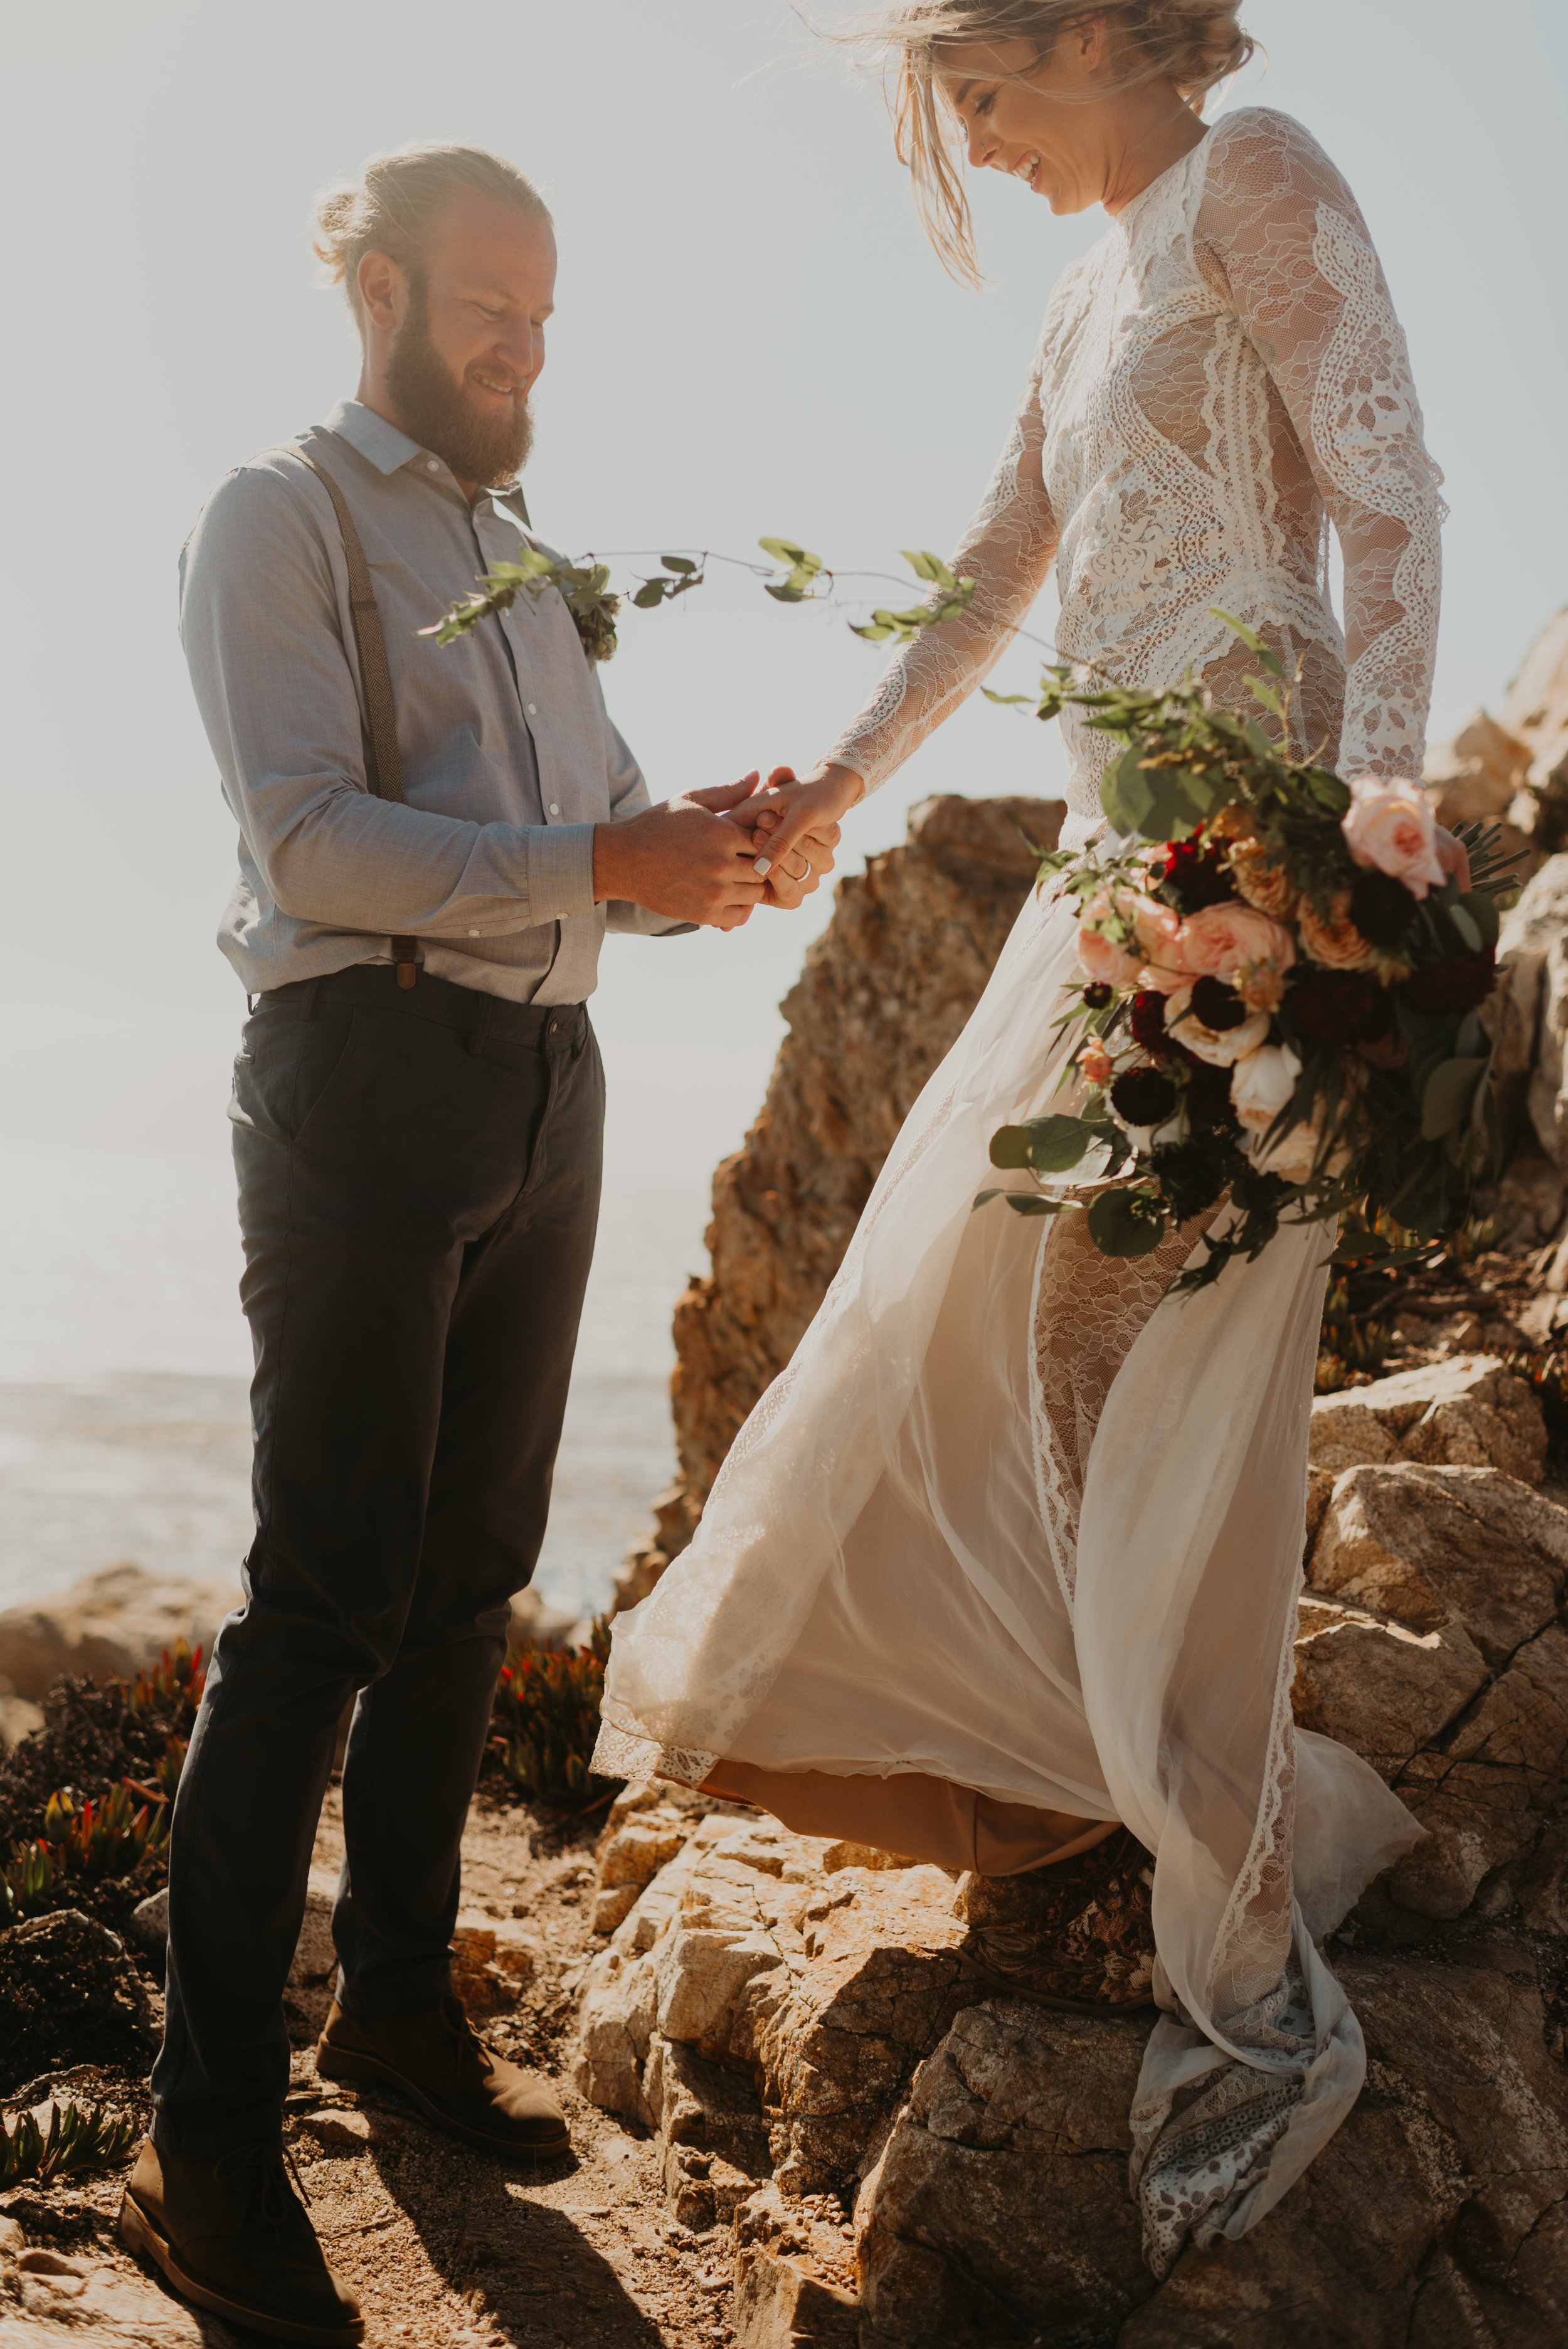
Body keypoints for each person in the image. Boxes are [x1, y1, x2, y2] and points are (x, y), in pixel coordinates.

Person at [596, 3, 1455, 2277]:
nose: (969, 147)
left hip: (1252, 860)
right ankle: (1148, 1800)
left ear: (1089, 29)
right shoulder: (1091, 285)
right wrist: (833, 787)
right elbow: (991, 578)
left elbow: (1388, 492)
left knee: (1111, 1329)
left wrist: (1358, 825)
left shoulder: (1259, 174)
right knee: (1031, 1344)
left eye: (972, 94)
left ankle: (1220, 1878)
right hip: (1109, 871)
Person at [117, 142, 838, 2346]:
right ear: (373, 289)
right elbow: (311, 838)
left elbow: (586, 848)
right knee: (321, 1592)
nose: (525, 352)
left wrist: (717, 843)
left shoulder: (532, 552)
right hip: (361, 1077)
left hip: (547, 1090)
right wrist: (591, 852)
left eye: (546, 316)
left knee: (470, 1578)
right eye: (484, 312)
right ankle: (198, 2135)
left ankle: (398, 2013)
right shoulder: (281, 514)